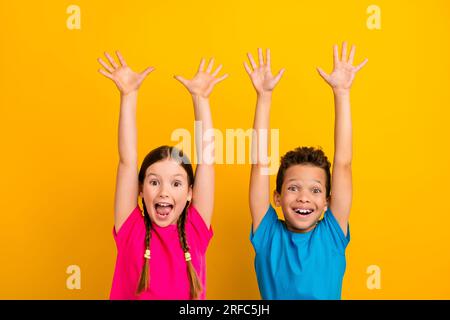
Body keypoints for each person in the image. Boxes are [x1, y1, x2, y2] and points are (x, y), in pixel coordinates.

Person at [97, 51, 227, 299]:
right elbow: (127, 161)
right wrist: (128, 96)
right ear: (140, 188)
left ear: (190, 192)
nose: (164, 191)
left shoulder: (194, 229)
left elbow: (207, 162)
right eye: (154, 182)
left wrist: (200, 99)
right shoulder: (130, 230)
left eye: (176, 183)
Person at [246, 43, 368, 299]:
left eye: (315, 190)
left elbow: (344, 164)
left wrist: (342, 93)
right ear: (277, 197)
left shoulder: (331, 235)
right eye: (293, 188)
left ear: (327, 201)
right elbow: (259, 165)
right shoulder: (268, 234)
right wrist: (264, 98)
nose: (303, 197)